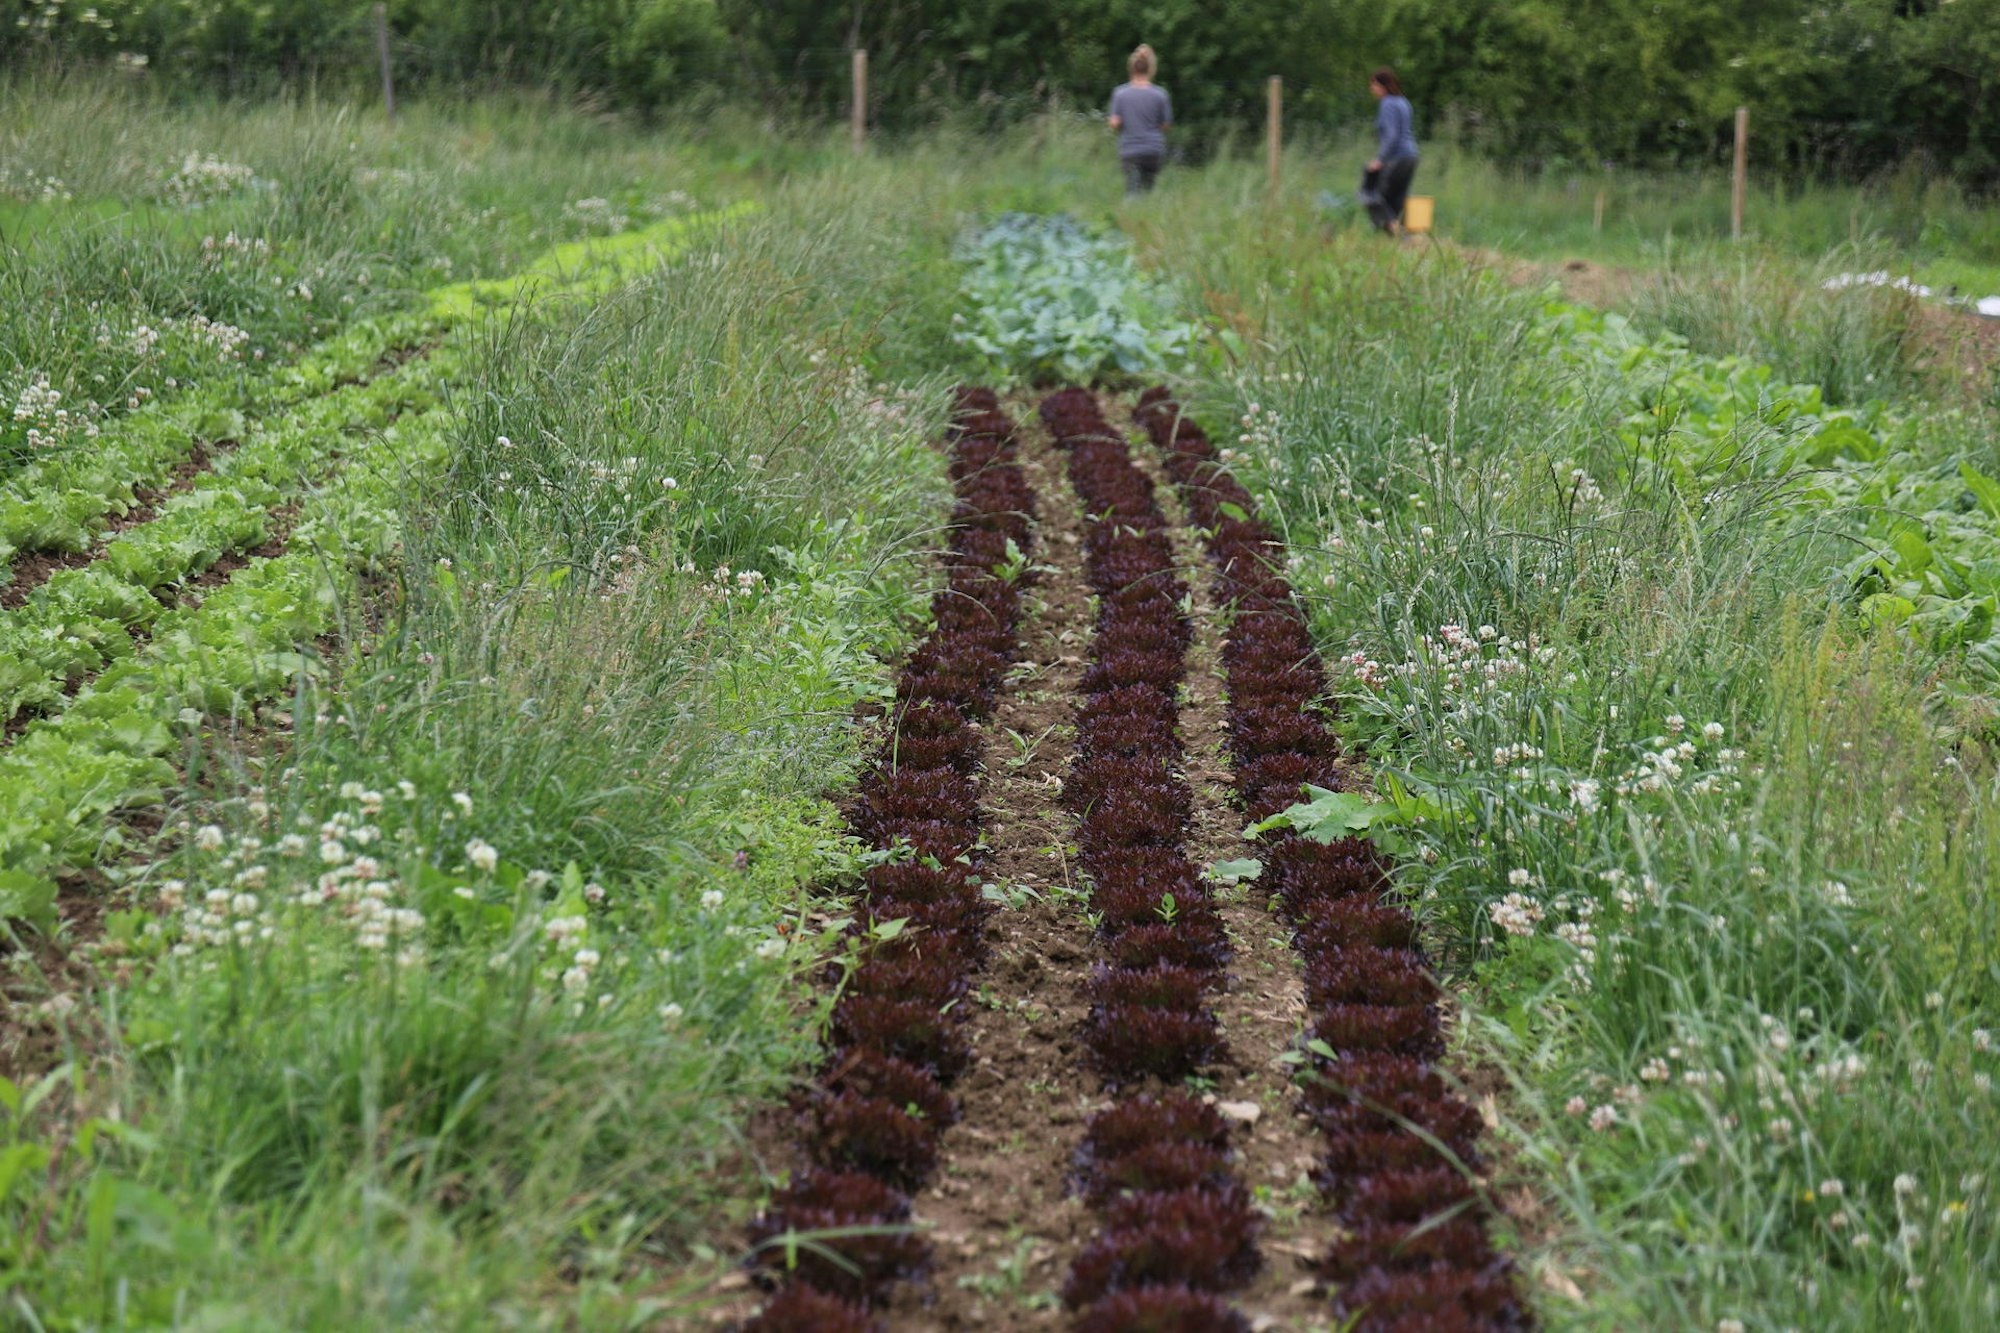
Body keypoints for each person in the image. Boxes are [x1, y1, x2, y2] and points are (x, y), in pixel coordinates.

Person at [1109, 45, 1172, 197]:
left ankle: (1131, 209)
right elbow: (1165, 125)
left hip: (1130, 149)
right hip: (1153, 150)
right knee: (1148, 191)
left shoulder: (1120, 93)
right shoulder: (1160, 94)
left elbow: (1114, 123)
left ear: (1131, 69)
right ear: (1151, 69)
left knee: (1132, 190)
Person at [1364, 67, 1419, 234]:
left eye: (1374, 84)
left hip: (1397, 157)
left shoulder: (1387, 103)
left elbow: (1392, 135)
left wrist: (1380, 159)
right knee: (1399, 198)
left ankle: (1392, 229)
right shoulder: (1403, 102)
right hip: (1411, 156)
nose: (1371, 88)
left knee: (1372, 195)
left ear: (1383, 86)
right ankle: (1406, 237)